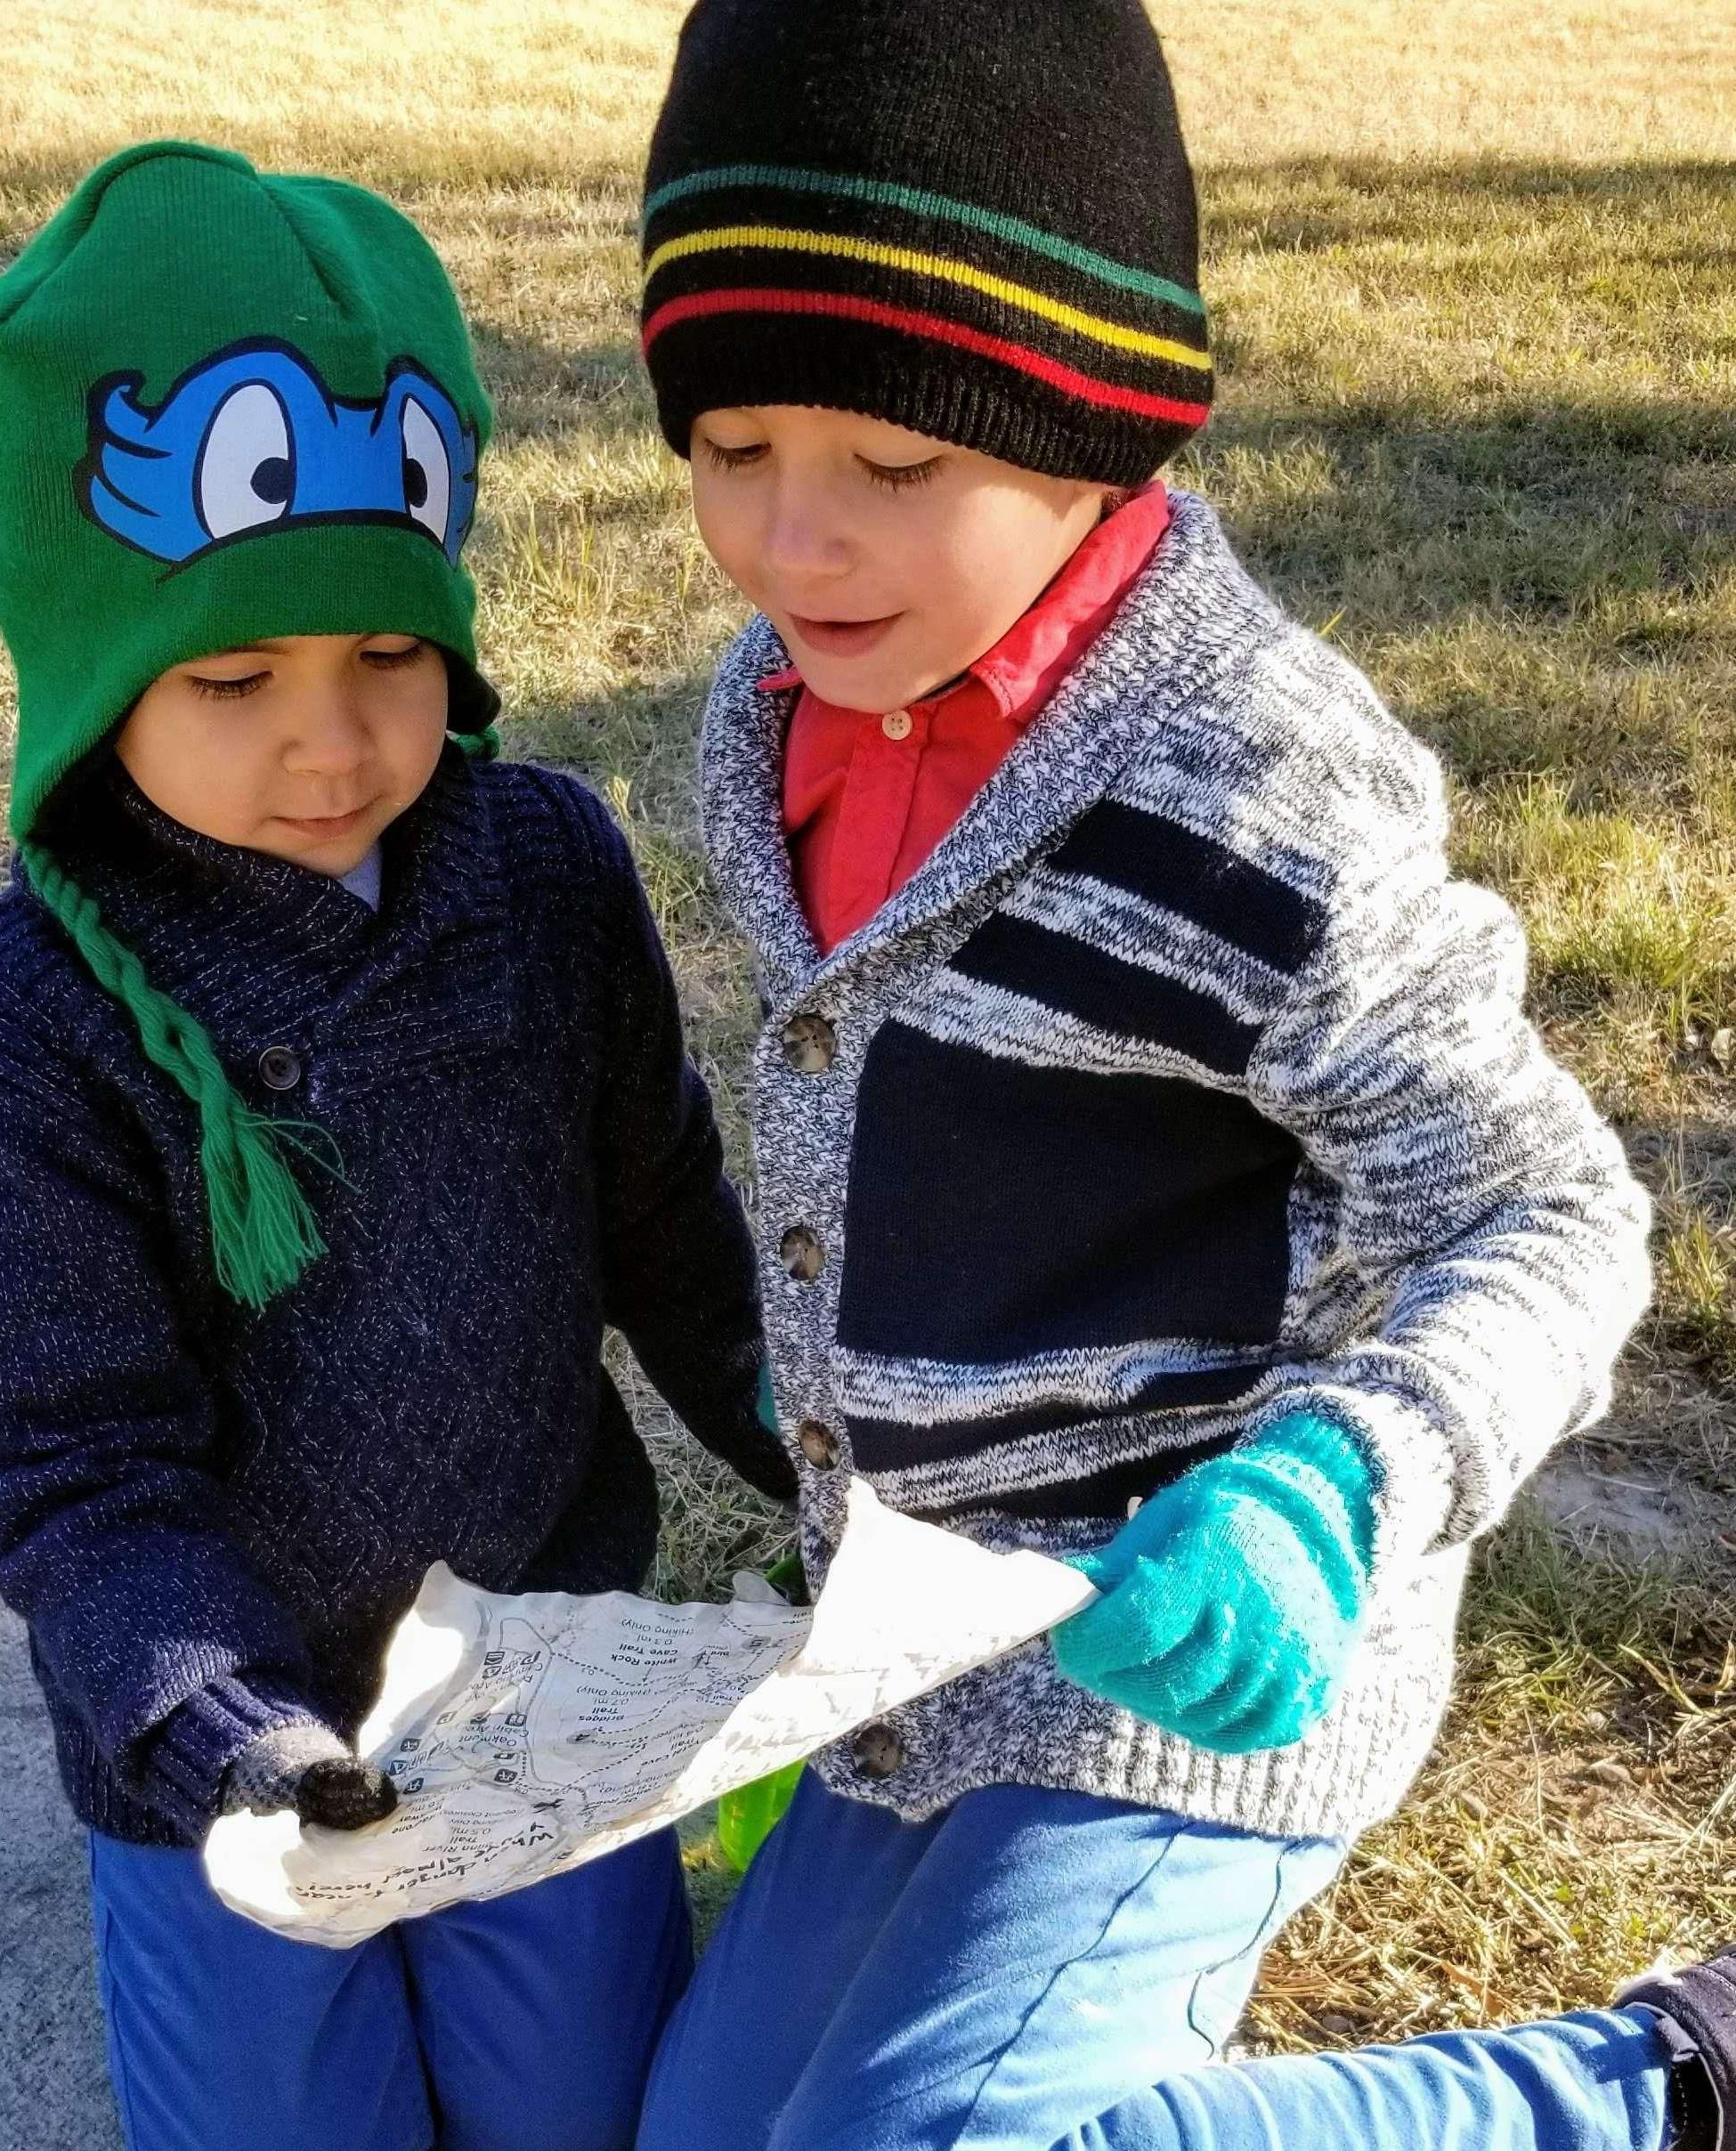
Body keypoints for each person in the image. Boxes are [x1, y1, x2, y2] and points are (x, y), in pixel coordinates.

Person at [627, 4, 1732, 2148]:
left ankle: (1646, 2076)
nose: (790, 543)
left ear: (1095, 434)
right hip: (936, 1644)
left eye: (895, 463)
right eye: (732, 439)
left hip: (1206, 1661)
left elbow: (1557, 1212)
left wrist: (1328, 1491)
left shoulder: (1257, 801)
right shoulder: (770, 717)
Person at [0, 137, 794, 2151]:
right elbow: (75, 1466)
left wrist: (810, 1443)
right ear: (88, 664)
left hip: (533, 1684)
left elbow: (666, 1218)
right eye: (232, 676)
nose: (332, 740)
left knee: (583, 2116)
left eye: (389, 652)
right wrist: (223, 1725)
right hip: (213, 1757)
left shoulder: (544, 869)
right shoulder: (36, 1018)